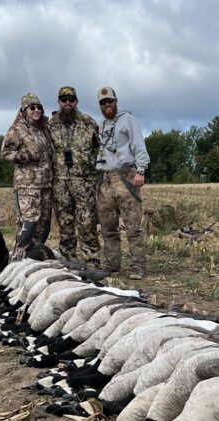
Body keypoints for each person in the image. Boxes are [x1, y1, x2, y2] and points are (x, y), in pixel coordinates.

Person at [95, 86, 150, 279]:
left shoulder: (128, 120)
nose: (106, 105)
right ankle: (112, 264)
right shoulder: (102, 126)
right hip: (105, 179)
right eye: (102, 103)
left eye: (109, 101)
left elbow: (139, 145)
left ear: (116, 101)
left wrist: (140, 170)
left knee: (133, 225)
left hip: (126, 175)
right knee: (108, 226)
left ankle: (137, 266)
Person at [48, 85, 101, 269]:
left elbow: (99, 147)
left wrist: (90, 163)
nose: (68, 103)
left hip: (84, 181)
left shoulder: (89, 123)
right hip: (60, 182)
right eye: (64, 100)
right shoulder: (50, 125)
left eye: (71, 99)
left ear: (77, 102)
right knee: (65, 225)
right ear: (59, 102)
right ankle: (68, 262)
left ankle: (92, 262)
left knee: (87, 223)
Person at [0, 92, 55, 260]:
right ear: (24, 110)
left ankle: (32, 262)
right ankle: (16, 262)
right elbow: (5, 152)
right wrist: (25, 155)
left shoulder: (43, 129)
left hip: (45, 185)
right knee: (28, 225)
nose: (36, 110)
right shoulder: (17, 129)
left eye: (39, 107)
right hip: (27, 187)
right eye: (32, 107)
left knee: (43, 227)